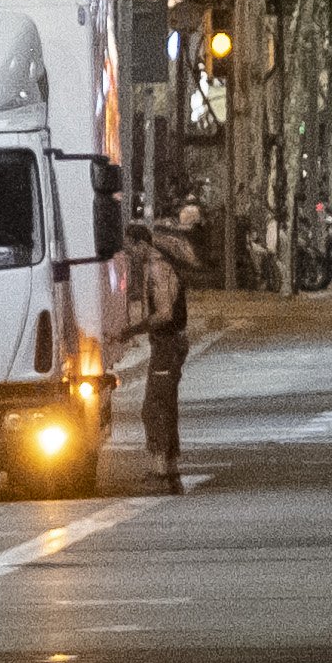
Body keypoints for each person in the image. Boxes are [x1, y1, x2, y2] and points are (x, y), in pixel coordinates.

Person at [122, 193, 202, 488]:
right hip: (170, 342)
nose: (129, 255)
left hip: (167, 343)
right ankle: (169, 467)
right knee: (165, 405)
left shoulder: (157, 267)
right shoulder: (158, 264)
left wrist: (135, 330)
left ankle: (160, 469)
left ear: (139, 244)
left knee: (154, 407)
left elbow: (165, 313)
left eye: (130, 248)